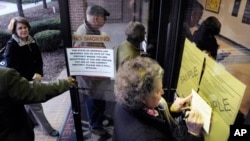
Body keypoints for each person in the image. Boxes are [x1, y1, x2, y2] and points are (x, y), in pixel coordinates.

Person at [113, 56, 204, 141]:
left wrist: (171, 109)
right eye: (157, 91)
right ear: (143, 98)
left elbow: (152, 118)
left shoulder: (124, 101)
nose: (163, 92)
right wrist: (193, 134)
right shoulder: (149, 137)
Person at [5, 16, 59, 137]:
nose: (23, 30)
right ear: (14, 31)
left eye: (25, 27)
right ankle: (48, 129)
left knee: (30, 105)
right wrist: (31, 75)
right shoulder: (12, 46)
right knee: (36, 105)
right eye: (20, 28)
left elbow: (38, 58)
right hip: (23, 81)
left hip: (35, 78)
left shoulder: (31, 40)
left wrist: (39, 72)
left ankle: (31, 122)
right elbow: (13, 68)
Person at [0, 67, 76, 141]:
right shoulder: (4, 75)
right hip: (12, 134)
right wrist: (65, 83)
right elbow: (34, 91)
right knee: (35, 108)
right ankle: (47, 129)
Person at [74, 5, 111, 135]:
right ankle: (95, 126)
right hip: (91, 81)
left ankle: (101, 118)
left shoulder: (92, 29)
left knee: (100, 101)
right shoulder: (84, 35)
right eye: (104, 19)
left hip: (97, 78)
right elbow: (83, 64)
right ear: (95, 18)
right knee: (93, 103)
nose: (105, 22)